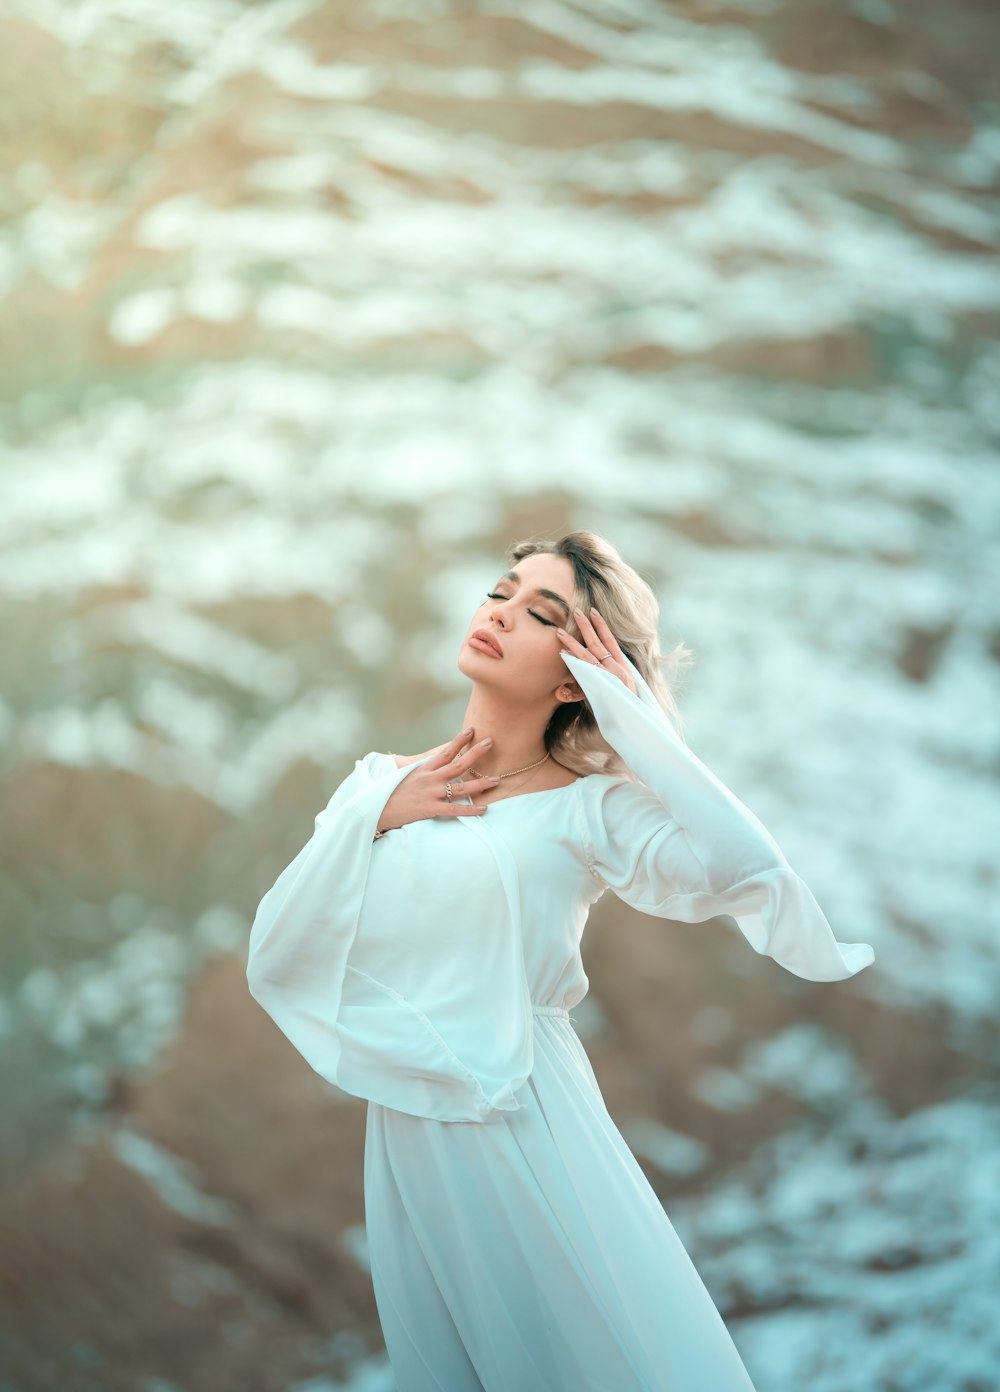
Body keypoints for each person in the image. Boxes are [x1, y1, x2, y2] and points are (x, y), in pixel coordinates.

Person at [246, 530, 875, 1392]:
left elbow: (746, 869)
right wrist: (379, 815)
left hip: (530, 1114)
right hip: (409, 1128)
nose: (499, 613)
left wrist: (637, 718)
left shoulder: (591, 812)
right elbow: (278, 953)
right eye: (501, 591)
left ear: (575, 670)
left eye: (541, 613)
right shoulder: (375, 785)